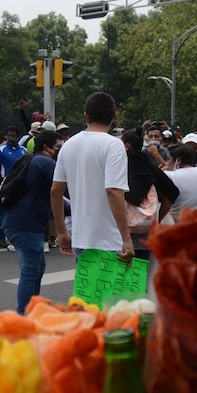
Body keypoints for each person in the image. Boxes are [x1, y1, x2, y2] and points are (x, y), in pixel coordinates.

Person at [51, 92, 134, 264]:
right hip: (109, 241)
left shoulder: (68, 145)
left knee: (87, 292)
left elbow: (55, 191)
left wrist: (61, 231)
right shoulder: (114, 145)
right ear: (114, 116)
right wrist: (126, 238)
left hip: (81, 239)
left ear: (86, 116)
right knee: (113, 292)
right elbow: (113, 191)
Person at [5, 131, 62, 314]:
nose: (60, 152)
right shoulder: (45, 163)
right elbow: (62, 192)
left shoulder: (31, 160)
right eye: (58, 147)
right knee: (30, 272)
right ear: (46, 147)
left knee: (37, 269)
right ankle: (24, 317)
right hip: (26, 225)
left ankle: (32, 311)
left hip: (21, 223)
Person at [121, 132, 178, 260]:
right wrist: (155, 222)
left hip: (118, 235)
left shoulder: (117, 165)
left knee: (115, 277)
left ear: (126, 146)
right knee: (139, 278)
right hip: (144, 236)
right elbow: (171, 194)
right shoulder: (148, 167)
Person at [0, 126, 27, 248]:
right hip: (5, 185)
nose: (11, 138)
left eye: (13, 136)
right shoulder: (1, 150)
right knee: (2, 212)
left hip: (18, 185)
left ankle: (16, 237)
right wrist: (2, 183)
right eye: (9, 135)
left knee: (18, 211)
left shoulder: (23, 150)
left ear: (18, 136)